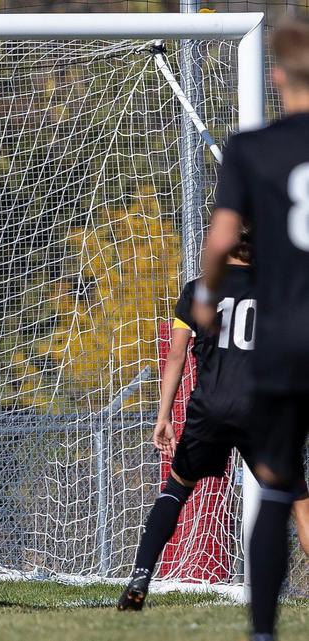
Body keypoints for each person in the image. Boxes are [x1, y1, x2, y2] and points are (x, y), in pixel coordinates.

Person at [197, 14, 309, 641]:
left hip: (286, 338)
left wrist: (210, 295)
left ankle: (263, 632)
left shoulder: (252, 148)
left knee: (274, 481)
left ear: (276, 77)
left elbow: (219, 239)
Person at [118, 232, 255, 610]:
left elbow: (177, 355)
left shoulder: (198, 289)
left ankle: (141, 576)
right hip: (261, 409)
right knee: (295, 497)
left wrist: (163, 417)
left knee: (176, 490)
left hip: (209, 406)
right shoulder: (278, 288)